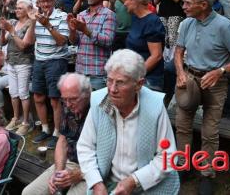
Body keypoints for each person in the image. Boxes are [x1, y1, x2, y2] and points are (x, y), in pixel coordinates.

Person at [174, 0, 230, 194]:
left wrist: (221, 71)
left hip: (215, 83)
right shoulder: (187, 23)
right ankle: (183, 165)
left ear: (204, 4)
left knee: (210, 131)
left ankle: (206, 173)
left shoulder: (224, 25)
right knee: (182, 125)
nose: (184, 5)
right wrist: (180, 72)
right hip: (189, 79)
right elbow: (178, 51)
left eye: (188, 2)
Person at [77, 49, 180, 194]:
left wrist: (135, 180)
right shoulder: (99, 102)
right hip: (108, 182)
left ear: (139, 84)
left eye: (120, 83)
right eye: (110, 80)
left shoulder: (154, 106)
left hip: (146, 185)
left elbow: (168, 156)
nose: (112, 89)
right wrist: (96, 183)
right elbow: (85, 147)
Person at [22, 73, 90, 195]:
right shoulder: (67, 106)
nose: (68, 104)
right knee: (29, 193)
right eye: (65, 99)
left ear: (87, 94)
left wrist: (80, 174)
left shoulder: (98, 110)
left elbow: (106, 160)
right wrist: (58, 173)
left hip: (92, 168)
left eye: (73, 99)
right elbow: (62, 140)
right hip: (72, 161)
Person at [31, 0, 69, 149]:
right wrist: (33, 22)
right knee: (38, 97)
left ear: (53, 1)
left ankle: (57, 132)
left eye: (48, 1)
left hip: (56, 60)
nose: (45, 4)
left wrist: (48, 26)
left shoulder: (62, 16)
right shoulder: (35, 16)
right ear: (38, 3)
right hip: (39, 59)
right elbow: (30, 40)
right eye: (42, 1)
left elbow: (62, 41)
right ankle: (46, 129)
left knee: (55, 99)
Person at [68, 0, 115, 90]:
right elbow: (74, 41)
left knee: (98, 106)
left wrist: (85, 29)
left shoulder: (109, 15)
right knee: (80, 107)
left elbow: (108, 41)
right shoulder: (81, 14)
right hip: (80, 71)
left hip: (98, 74)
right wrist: (72, 31)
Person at [0, 0, 36, 135]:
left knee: (23, 93)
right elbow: (2, 43)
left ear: (28, 10)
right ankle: (15, 118)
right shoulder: (13, 22)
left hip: (24, 63)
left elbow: (23, 46)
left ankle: (26, 122)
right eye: (17, 8)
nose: (17, 10)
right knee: (13, 92)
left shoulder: (30, 24)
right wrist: (3, 30)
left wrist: (11, 31)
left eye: (20, 8)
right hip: (11, 62)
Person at [124, 0, 165, 91]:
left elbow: (156, 56)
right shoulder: (136, 18)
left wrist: (136, 75)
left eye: (126, 0)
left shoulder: (152, 21)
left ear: (135, 0)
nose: (124, 3)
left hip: (149, 80)